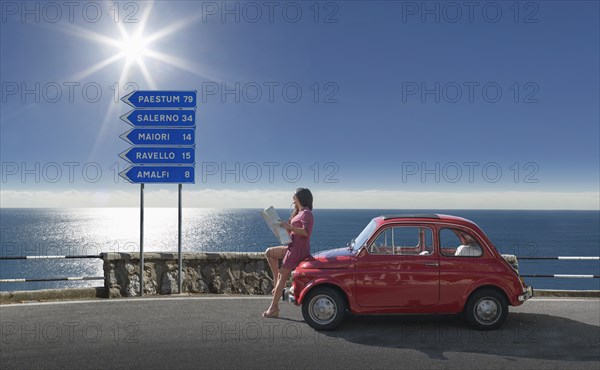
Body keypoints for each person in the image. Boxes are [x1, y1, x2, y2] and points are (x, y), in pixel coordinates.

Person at [262, 188, 314, 318]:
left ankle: (273, 308)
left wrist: (289, 227)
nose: (292, 198)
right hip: (292, 247)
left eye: (294, 195)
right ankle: (278, 282)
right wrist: (279, 230)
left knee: (282, 277)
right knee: (270, 253)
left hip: (297, 250)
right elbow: (293, 233)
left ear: (300, 197)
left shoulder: (307, 213)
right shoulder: (299, 213)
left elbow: (306, 233)